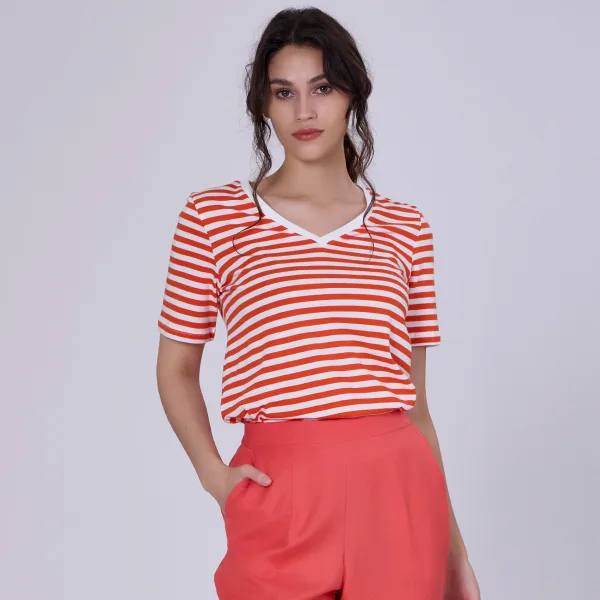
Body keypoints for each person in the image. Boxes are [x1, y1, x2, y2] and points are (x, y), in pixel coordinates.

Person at [155, 7, 480, 600]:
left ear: (352, 93)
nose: (304, 111)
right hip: (279, 488)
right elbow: (176, 368)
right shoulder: (214, 217)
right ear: (263, 104)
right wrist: (214, 477)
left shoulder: (405, 229)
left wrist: (456, 555)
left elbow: (416, 406)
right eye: (284, 92)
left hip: (397, 489)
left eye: (323, 88)